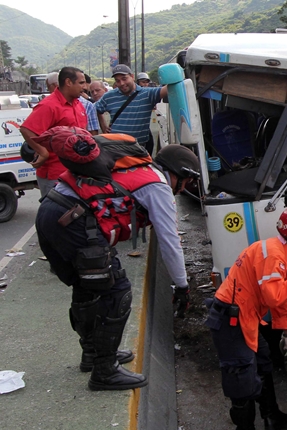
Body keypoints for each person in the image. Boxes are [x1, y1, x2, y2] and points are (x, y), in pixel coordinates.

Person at [35, 141, 199, 391]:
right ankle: (105, 370)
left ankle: (93, 353)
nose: (182, 189)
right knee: (116, 289)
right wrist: (182, 285)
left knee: (86, 286)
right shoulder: (157, 186)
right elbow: (170, 240)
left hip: (51, 210)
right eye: (185, 182)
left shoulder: (135, 169)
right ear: (179, 174)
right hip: (74, 220)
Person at [205, 206, 287, 430]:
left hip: (246, 319)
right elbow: (275, 296)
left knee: (263, 363)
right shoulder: (273, 254)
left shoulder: (281, 254)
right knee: (241, 381)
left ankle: (271, 416)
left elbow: (280, 301)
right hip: (232, 322)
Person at [20, 67, 88, 197]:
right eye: (81, 83)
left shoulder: (78, 104)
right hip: (55, 175)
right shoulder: (49, 105)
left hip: (77, 172)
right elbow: (27, 129)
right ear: (68, 82)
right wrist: (42, 152)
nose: (84, 87)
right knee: (55, 214)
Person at [95, 64, 167, 154]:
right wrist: (104, 126)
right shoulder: (109, 96)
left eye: (124, 79)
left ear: (132, 76)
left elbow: (169, 89)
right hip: (114, 149)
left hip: (138, 149)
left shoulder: (147, 94)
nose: (121, 83)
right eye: (117, 81)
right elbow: (96, 109)